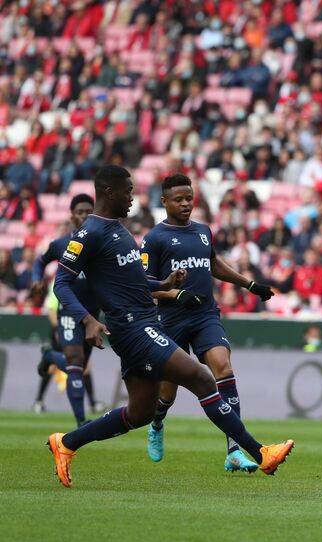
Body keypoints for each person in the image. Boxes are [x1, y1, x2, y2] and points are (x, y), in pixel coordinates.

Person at [46, 165, 293, 488]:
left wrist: (164, 282)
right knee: (202, 378)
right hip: (133, 328)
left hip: (143, 324)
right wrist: (88, 319)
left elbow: (134, 282)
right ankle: (259, 453)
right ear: (110, 193)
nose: (133, 198)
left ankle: (66, 443)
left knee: (139, 414)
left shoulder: (119, 230)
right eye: (128, 192)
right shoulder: (90, 233)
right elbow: (61, 284)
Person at [142, 174, 276, 472]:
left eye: (189, 198)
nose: (186, 203)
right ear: (164, 202)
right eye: (179, 199)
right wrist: (176, 294)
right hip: (170, 319)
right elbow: (144, 283)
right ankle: (157, 424)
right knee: (167, 393)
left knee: (224, 368)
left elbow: (213, 263)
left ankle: (233, 451)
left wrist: (250, 285)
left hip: (204, 315)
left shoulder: (203, 231)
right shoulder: (154, 238)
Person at [31, 194, 105, 426]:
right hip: (69, 312)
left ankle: (50, 356)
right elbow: (40, 261)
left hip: (94, 314)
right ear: (72, 215)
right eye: (80, 211)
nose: (84, 215)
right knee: (75, 361)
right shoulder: (61, 244)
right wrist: (36, 278)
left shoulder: (102, 245)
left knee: (78, 367)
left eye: (88, 211)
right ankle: (81, 420)